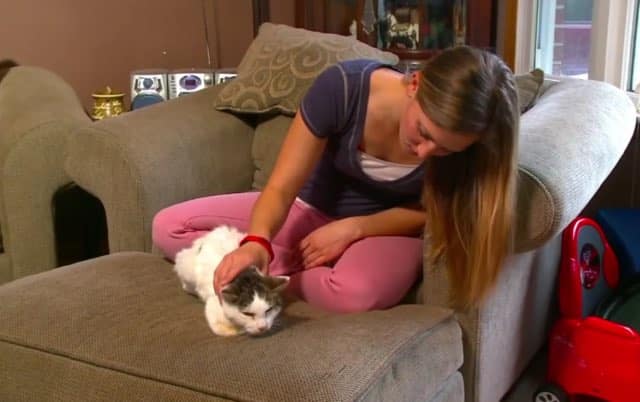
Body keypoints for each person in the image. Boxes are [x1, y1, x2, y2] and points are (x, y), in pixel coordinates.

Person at [152, 46, 519, 312]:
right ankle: (280, 264)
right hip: (309, 207)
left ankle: (273, 277)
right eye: (423, 132)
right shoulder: (344, 87)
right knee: (168, 226)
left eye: (444, 150)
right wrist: (257, 241)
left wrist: (355, 228)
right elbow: (281, 187)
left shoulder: (471, 144)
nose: (425, 153)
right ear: (415, 83)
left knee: (356, 292)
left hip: (384, 230)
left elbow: (433, 212)